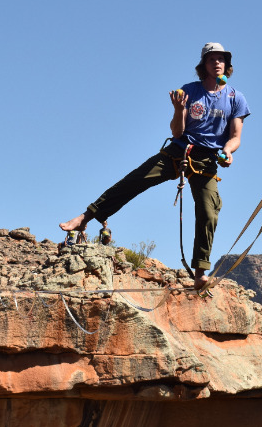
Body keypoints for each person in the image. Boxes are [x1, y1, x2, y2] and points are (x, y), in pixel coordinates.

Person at [59, 42, 250, 289]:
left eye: (221, 59)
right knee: (135, 180)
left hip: (207, 160)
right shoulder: (189, 91)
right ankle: (86, 216)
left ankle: (200, 271)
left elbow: (235, 137)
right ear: (203, 65)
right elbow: (177, 131)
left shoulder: (236, 98)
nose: (217, 62)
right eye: (211, 59)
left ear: (227, 64)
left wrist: (228, 151)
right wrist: (178, 110)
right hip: (180, 151)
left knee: (209, 210)